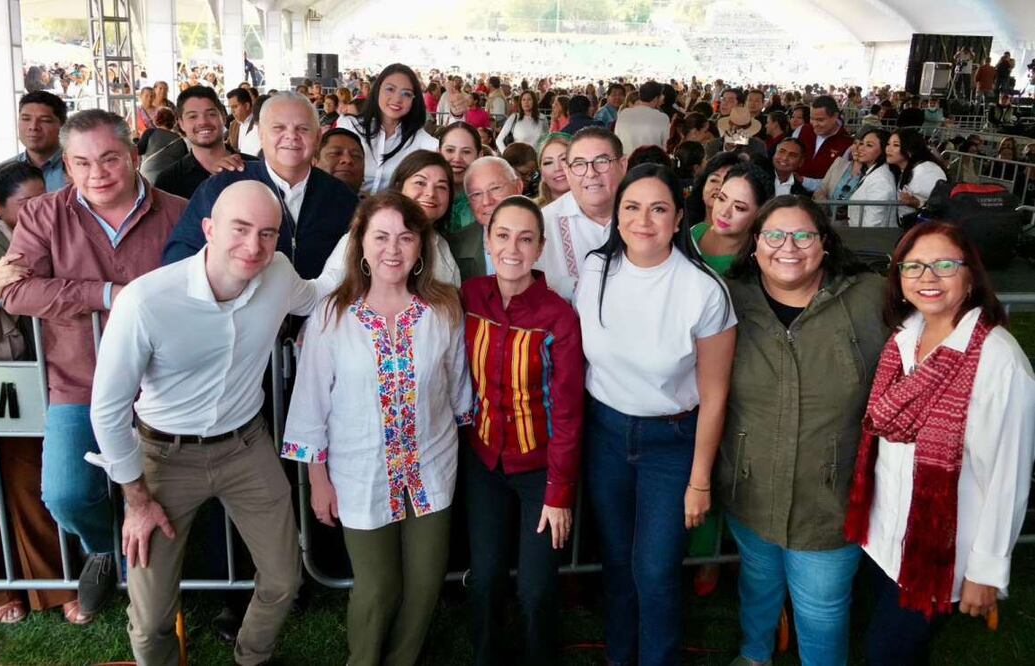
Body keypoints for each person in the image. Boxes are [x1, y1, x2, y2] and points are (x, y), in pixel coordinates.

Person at [89, 181, 317, 666]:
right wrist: (136, 499)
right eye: (240, 229)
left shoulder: (277, 272)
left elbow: (316, 295)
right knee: (151, 621)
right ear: (209, 229)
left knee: (283, 579)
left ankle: (252, 657)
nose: (254, 246)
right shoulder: (147, 300)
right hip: (163, 458)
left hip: (245, 445)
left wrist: (368, 249)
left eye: (268, 233)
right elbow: (107, 410)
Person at [1, 109, 188, 618]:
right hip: (78, 379)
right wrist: (107, 293)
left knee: (171, 488)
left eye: (109, 158)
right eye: (82, 163)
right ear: (67, 164)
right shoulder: (42, 214)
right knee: (65, 493)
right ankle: (108, 548)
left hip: (162, 383)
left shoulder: (179, 211)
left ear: (133, 156)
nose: (97, 173)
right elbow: (15, 290)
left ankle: (159, 571)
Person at [282, 191, 471, 666]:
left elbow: (458, 386)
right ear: (360, 245)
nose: (393, 249)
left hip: (431, 466)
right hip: (360, 470)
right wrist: (318, 480)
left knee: (426, 581)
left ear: (420, 247)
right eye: (381, 236)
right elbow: (310, 403)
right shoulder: (333, 314)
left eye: (406, 238)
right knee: (378, 586)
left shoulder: (443, 308)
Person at [846, 221, 1035, 665]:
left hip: (944, 555)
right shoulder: (903, 340)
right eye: (914, 266)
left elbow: (1008, 478)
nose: (927, 278)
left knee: (884, 654)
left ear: (970, 275)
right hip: (884, 542)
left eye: (944, 265)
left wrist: (986, 572)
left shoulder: (998, 359)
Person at [576, 163, 735, 666]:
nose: (644, 220)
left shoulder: (704, 291)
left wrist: (700, 479)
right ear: (616, 215)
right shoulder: (595, 269)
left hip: (671, 442)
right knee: (618, 565)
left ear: (678, 217)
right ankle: (619, 656)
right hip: (605, 435)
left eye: (658, 208)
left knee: (656, 570)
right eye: (632, 207)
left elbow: (714, 393)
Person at [720, 195, 890, 666]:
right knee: (758, 583)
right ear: (754, 245)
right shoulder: (730, 299)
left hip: (830, 502)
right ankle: (754, 655)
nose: (787, 247)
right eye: (774, 235)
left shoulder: (871, 297)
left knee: (822, 608)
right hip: (749, 488)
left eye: (803, 235)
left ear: (826, 245)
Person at [0, 167, 87, 626]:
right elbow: (0, 290)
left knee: (31, 479)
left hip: (17, 377)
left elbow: (32, 278)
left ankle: (56, 582)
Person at [460, 196, 584, 666]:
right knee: (487, 577)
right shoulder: (470, 297)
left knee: (535, 589)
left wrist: (558, 493)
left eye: (526, 238)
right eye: (503, 235)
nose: (513, 248)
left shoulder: (559, 318)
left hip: (540, 473)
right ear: (488, 242)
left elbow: (568, 414)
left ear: (540, 248)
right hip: (485, 463)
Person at [162, 92, 358, 280]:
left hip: (316, 312)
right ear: (261, 135)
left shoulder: (341, 198)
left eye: (303, 129)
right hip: (237, 311)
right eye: (278, 128)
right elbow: (180, 257)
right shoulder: (223, 186)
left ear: (317, 138)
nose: (291, 136)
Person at [321, 150, 461, 287]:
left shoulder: (441, 246)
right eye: (420, 183)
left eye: (441, 187)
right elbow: (328, 292)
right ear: (399, 186)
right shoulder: (365, 235)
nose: (431, 193)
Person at [537, 128, 628, 300]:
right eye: (579, 164)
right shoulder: (543, 224)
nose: (591, 173)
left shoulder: (646, 217)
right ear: (567, 171)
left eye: (602, 161)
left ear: (622, 165)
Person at [338, 64, 438, 194]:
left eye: (406, 94)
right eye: (390, 89)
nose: (397, 99)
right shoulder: (350, 127)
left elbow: (448, 155)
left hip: (393, 211)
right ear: (378, 89)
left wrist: (456, 113)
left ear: (414, 100)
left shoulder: (420, 140)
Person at [154, 86, 251, 200]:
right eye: (193, 116)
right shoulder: (169, 181)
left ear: (223, 117)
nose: (203, 122)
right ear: (181, 124)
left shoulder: (253, 167)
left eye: (211, 114)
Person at [446, 156, 524, 281]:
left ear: (518, 187)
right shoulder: (453, 246)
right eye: (476, 194)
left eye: (495, 188)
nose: (487, 201)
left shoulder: (553, 232)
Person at [692, 162, 774, 275]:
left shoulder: (755, 267)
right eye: (721, 198)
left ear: (759, 213)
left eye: (739, 208)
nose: (724, 212)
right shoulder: (694, 232)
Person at [0, 91, 68, 195]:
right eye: (26, 119)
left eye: (45, 120)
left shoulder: (80, 169)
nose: (33, 127)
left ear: (63, 125)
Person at [886, 128, 947, 220]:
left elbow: (941, 205)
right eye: (888, 144)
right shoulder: (903, 169)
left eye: (896, 145)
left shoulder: (927, 171)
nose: (888, 149)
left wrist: (917, 203)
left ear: (910, 150)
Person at [798, 95, 854, 192]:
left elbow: (836, 182)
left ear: (835, 116)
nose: (814, 124)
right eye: (812, 119)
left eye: (820, 120)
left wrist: (803, 181)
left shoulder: (847, 145)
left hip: (821, 202)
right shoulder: (803, 130)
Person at [846, 127, 898, 228]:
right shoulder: (872, 172)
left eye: (869, 145)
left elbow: (873, 223)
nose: (860, 148)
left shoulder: (880, 181)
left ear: (883, 150)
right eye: (862, 143)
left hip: (870, 239)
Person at [438, 121, 483, 234]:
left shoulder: (488, 201)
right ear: (438, 153)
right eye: (450, 150)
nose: (457, 159)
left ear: (479, 156)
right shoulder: (425, 196)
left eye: (466, 152)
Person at [684, 151, 741, 228]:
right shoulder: (685, 229)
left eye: (727, 181)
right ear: (702, 187)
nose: (719, 187)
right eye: (714, 180)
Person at [614, 81, 669, 156]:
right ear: (655, 98)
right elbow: (665, 146)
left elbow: (617, 141)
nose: (663, 97)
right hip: (650, 163)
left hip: (626, 162)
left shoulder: (624, 114)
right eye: (661, 95)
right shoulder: (662, 117)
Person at [315, 127, 366, 194]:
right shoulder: (298, 201)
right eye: (335, 153)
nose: (348, 160)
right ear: (314, 162)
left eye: (356, 156)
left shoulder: (372, 204)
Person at [535, 133, 571, 208]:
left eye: (564, 159)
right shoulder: (532, 211)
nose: (557, 168)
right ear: (541, 172)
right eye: (548, 162)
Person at [226, 87, 256, 153]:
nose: (232, 111)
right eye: (231, 107)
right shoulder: (233, 125)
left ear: (246, 106)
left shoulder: (259, 123)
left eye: (235, 107)